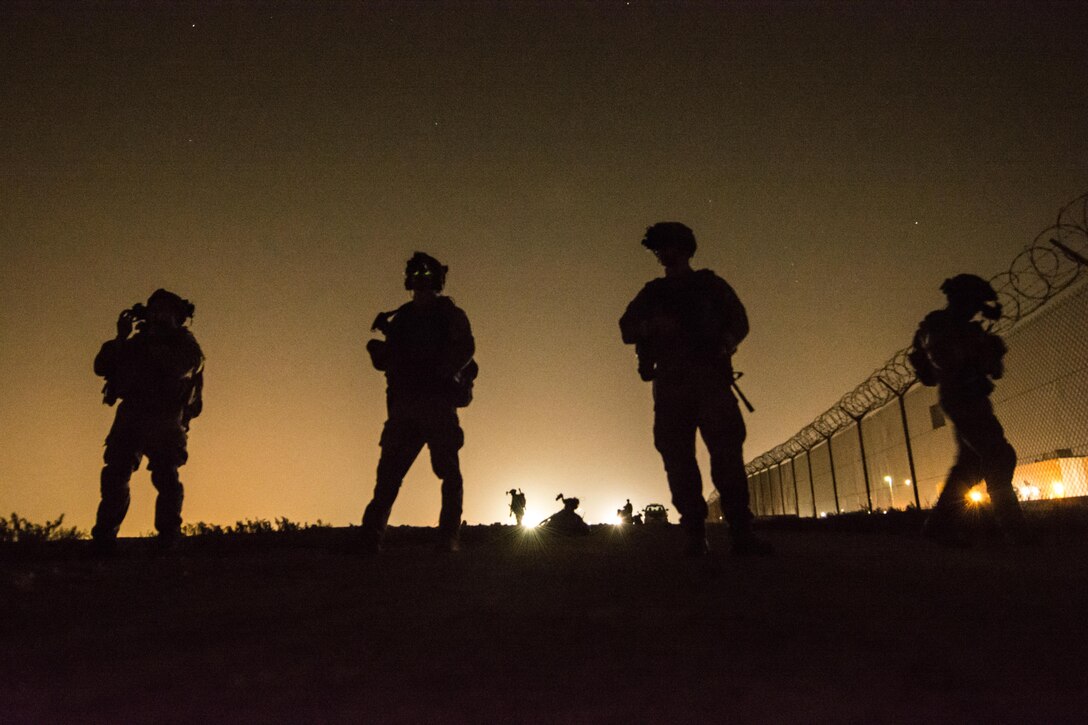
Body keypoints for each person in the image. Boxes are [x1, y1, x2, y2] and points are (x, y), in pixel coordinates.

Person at [620, 222, 770, 557]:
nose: (660, 253)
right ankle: (694, 535)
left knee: (727, 457)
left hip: (710, 380)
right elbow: (626, 327)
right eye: (657, 248)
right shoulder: (653, 293)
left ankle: (741, 534)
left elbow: (739, 321)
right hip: (671, 385)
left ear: (683, 248)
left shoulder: (709, 285)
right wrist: (651, 327)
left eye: (665, 245)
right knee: (678, 460)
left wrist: (725, 344)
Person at [361, 252, 476, 553]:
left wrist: (441, 372)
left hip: (435, 404)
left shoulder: (449, 315)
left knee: (447, 472)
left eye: (426, 279)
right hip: (406, 407)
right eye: (417, 279)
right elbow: (390, 361)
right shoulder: (402, 319)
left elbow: (465, 349)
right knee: (388, 475)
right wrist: (382, 353)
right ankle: (370, 537)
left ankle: (448, 537)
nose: (421, 285)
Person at [909, 273, 1030, 546]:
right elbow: (945, 362)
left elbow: (994, 370)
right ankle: (1014, 529)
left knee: (970, 465)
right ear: (961, 300)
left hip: (970, 396)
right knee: (998, 455)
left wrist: (991, 351)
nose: (977, 309)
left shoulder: (959, 328)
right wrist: (980, 349)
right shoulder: (939, 326)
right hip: (961, 395)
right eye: (974, 303)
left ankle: (938, 527)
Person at [91, 289, 204, 553]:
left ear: (178, 316)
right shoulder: (135, 344)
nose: (159, 315)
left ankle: (169, 536)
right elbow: (101, 366)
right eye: (155, 310)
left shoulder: (186, 345)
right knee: (115, 474)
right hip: (132, 415)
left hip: (166, 417)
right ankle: (105, 537)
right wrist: (121, 337)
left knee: (166, 477)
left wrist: (152, 341)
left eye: (166, 311)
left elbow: (179, 368)